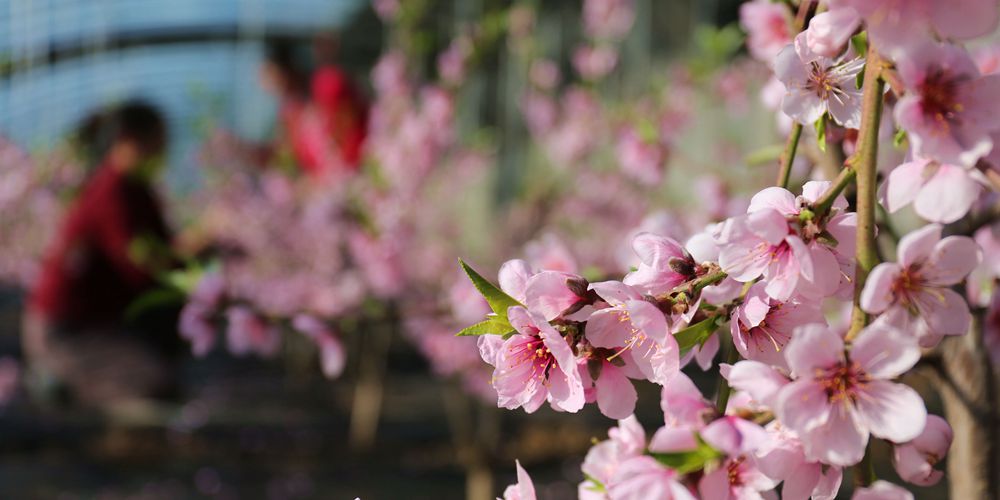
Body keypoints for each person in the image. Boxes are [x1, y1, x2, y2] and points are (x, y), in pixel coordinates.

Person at [23, 100, 179, 408]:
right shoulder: (113, 193)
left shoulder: (134, 189)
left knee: (161, 380)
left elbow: (161, 251)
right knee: (152, 389)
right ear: (129, 141)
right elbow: (142, 267)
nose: (163, 150)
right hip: (67, 332)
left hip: (93, 325)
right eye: (158, 141)